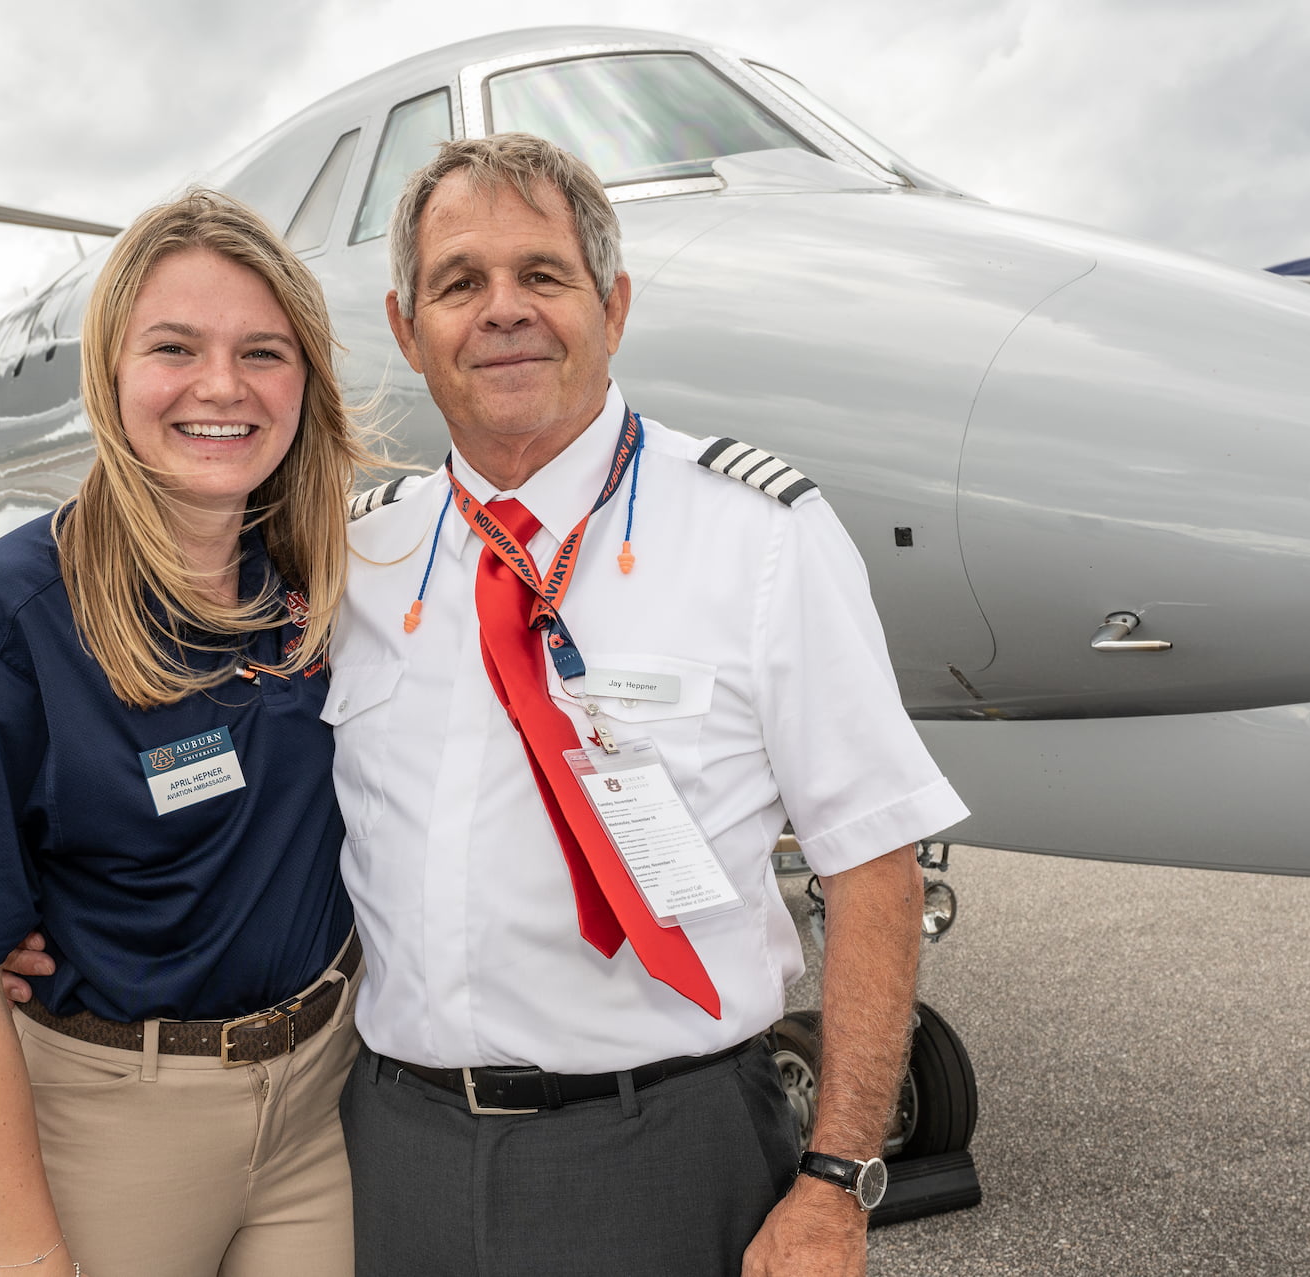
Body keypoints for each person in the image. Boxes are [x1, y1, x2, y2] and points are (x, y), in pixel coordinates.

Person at [327, 134, 970, 1276]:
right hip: (396, 1153)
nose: (503, 309)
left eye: (543, 273)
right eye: (460, 282)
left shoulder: (758, 535)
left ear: (613, 307)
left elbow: (875, 861)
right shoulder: (360, 558)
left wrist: (837, 1179)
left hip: (666, 1150)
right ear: (408, 330)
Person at [0, 188, 370, 1277]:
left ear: (304, 380)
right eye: (174, 348)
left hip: (322, 1109)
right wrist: (29, 1257)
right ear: (110, 373)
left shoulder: (321, 579)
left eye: (263, 351)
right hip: (119, 1129)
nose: (222, 386)